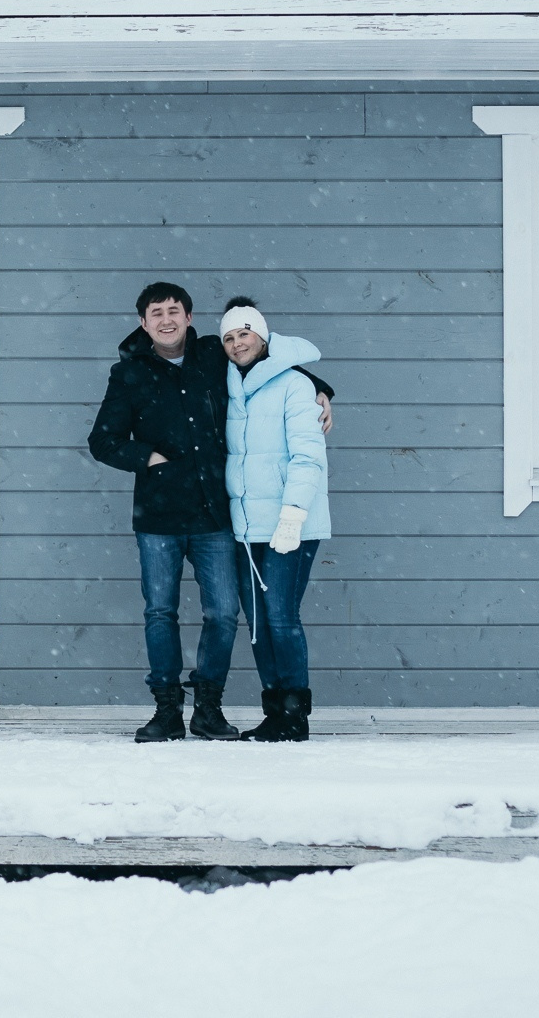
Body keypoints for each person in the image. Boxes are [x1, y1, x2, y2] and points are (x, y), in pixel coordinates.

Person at [90, 282, 333, 743]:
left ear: (188, 317)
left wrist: (320, 389)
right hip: (158, 518)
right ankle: (166, 712)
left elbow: (266, 365)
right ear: (144, 322)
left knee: (224, 614)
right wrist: (148, 458)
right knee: (160, 613)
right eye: (156, 313)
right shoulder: (129, 374)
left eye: (174, 310)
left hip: (214, 516)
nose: (166, 319)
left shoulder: (211, 356)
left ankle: (208, 709)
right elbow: (102, 442)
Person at [221, 298, 331, 743]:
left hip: (291, 523)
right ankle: (274, 710)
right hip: (245, 527)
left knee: (282, 615)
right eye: (228, 337)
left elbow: (308, 457)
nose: (236, 344)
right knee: (258, 622)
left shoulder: (295, 386)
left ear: (263, 336)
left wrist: (292, 516)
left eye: (244, 334)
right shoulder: (226, 382)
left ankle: (295, 715)